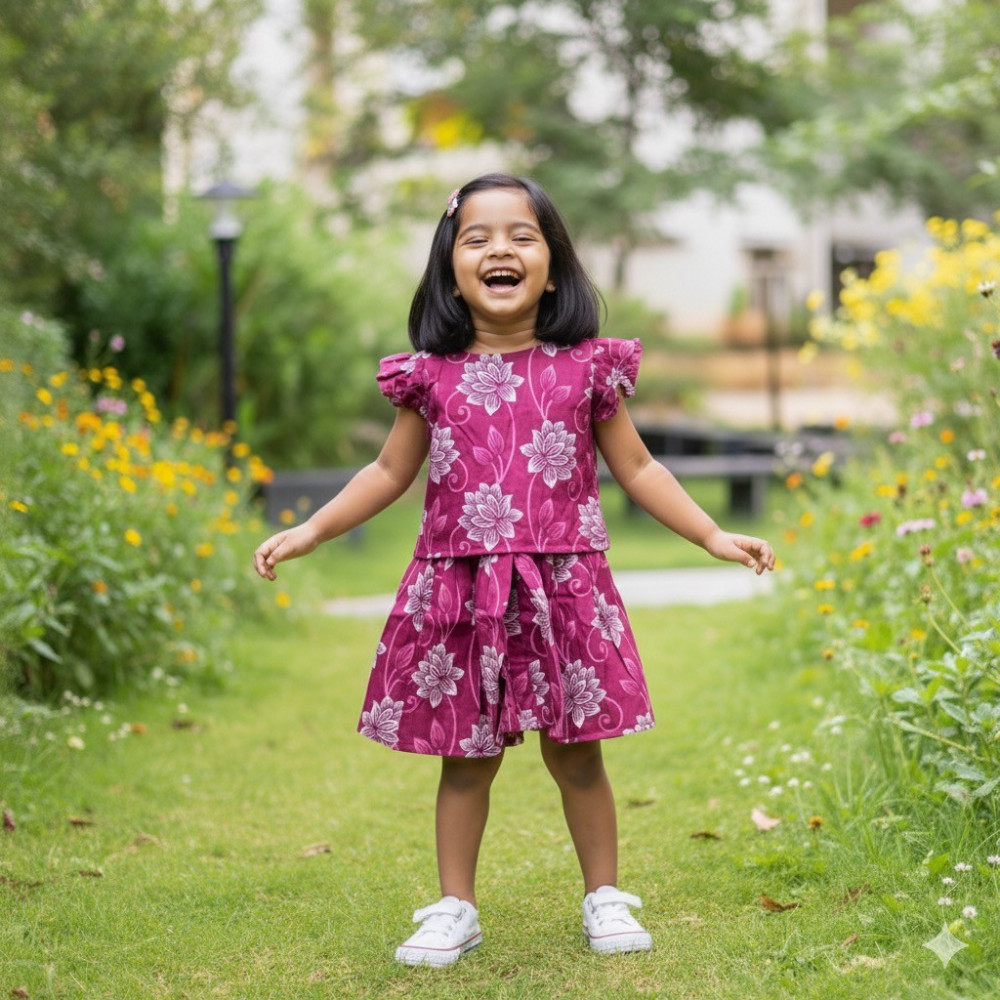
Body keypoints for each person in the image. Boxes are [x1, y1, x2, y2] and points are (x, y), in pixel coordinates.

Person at [252, 172, 775, 967]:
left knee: (577, 753)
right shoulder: (428, 376)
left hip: (563, 590)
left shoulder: (589, 368)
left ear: (554, 265)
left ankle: (604, 896)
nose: (500, 248)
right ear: (450, 271)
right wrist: (314, 530)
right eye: (477, 238)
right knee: (466, 757)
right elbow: (388, 473)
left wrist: (712, 535)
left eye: (521, 235)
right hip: (463, 593)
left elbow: (638, 468)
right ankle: (454, 906)